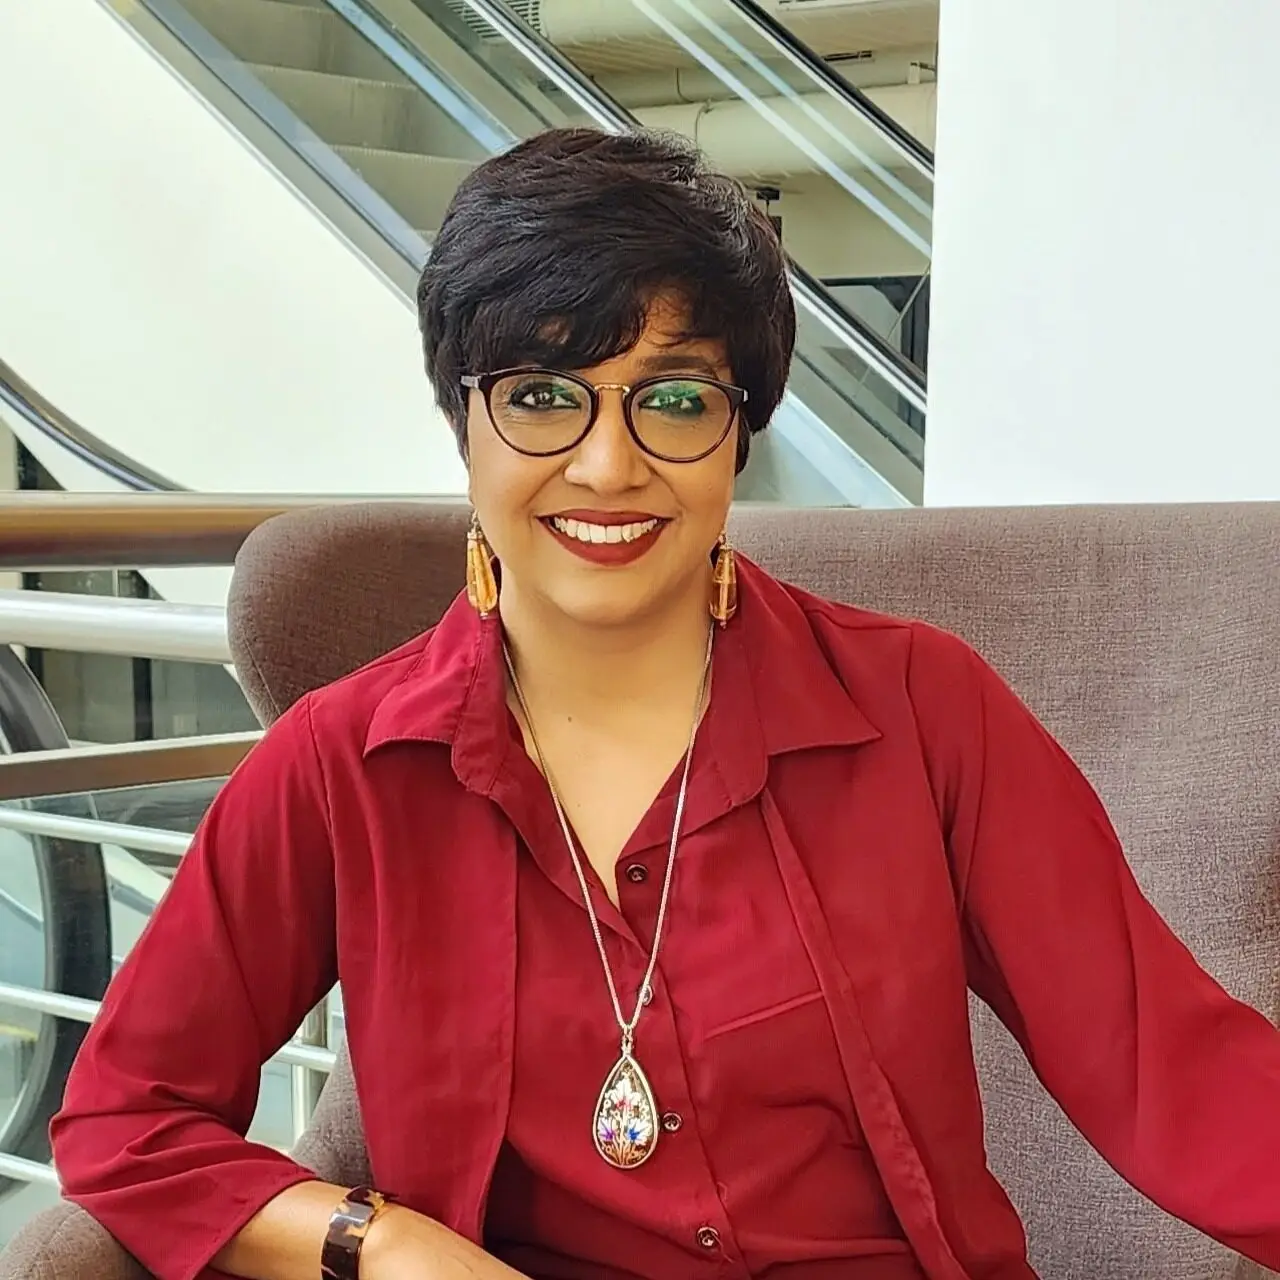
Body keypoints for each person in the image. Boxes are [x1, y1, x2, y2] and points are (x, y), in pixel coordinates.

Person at [49, 128, 1280, 1280]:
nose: (606, 465)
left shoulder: (921, 709)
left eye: (675, 398)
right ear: (462, 419)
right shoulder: (344, 761)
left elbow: (1175, 1074)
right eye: (541, 393)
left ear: (740, 432)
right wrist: (381, 1244)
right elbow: (127, 1115)